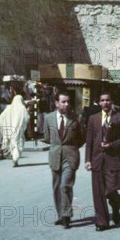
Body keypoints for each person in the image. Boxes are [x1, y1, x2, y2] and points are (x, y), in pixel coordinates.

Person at [85, 91, 120, 231]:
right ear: (99, 102)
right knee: (98, 193)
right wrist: (88, 160)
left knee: (110, 191)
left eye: (108, 100)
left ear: (112, 102)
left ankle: (115, 208)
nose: (105, 102)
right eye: (102, 100)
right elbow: (89, 141)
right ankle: (102, 222)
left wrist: (111, 145)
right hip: (97, 160)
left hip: (113, 160)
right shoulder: (93, 118)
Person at [44, 91, 84, 228]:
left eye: (68, 101)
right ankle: (60, 215)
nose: (67, 104)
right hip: (55, 156)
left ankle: (66, 215)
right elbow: (47, 137)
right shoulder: (48, 118)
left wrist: (71, 148)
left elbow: (81, 138)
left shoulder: (77, 118)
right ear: (56, 103)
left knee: (65, 185)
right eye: (63, 102)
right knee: (56, 187)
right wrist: (57, 147)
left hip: (71, 156)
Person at [0, 94, 30, 167]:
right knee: (18, 143)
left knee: (13, 144)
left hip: (10, 130)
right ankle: (15, 158)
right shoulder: (22, 108)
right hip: (19, 129)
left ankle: (14, 157)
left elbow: (1, 117)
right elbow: (26, 118)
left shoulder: (9, 108)